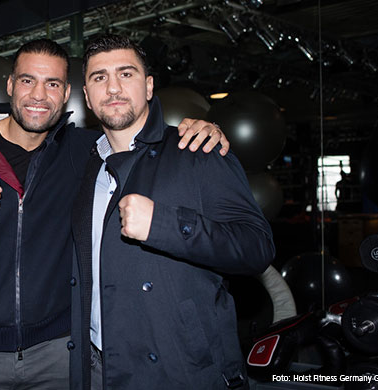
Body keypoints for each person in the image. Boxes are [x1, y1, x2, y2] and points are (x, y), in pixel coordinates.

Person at [0, 38, 228, 389]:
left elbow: (135, 138)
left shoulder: (82, 152)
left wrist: (195, 132)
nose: (39, 95)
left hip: (59, 354)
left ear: (69, 93)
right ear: (10, 85)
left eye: (52, 84)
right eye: (28, 81)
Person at [69, 34, 275, 390]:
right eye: (99, 77)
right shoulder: (84, 166)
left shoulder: (197, 150)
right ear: (87, 95)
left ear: (149, 86)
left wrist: (164, 224)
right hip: (98, 367)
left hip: (180, 370)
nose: (113, 87)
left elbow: (257, 249)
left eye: (126, 74)